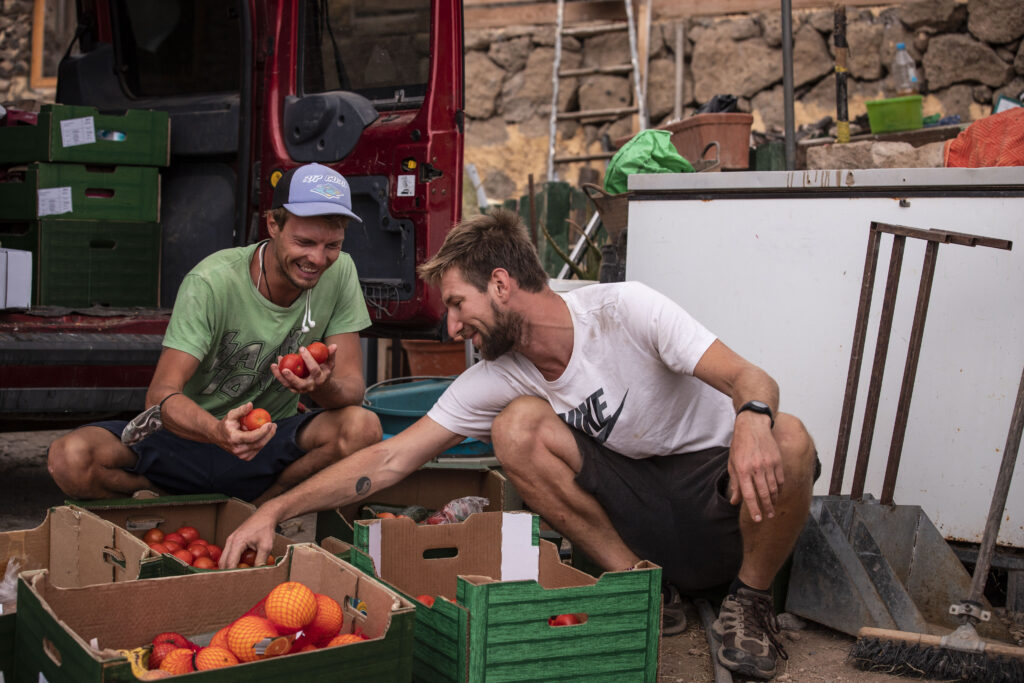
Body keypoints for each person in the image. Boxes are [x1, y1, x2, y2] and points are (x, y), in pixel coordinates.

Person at [220, 209, 817, 680]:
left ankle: (751, 600)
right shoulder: (500, 374)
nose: (453, 328)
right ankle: (640, 589)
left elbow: (754, 380)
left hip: (719, 501)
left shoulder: (624, 310)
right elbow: (391, 457)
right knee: (516, 426)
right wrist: (274, 509)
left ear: (501, 285)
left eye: (458, 304)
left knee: (787, 435)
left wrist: (752, 419)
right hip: (637, 511)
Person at [47, 163, 382, 504]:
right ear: (272, 224)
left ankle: (265, 506)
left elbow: (352, 390)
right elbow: (160, 394)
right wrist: (217, 432)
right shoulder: (211, 282)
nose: (318, 258)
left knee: (362, 428)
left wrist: (322, 386)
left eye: (332, 245)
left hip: (268, 438)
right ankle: (173, 501)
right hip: (188, 441)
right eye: (304, 242)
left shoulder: (340, 272)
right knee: (70, 458)